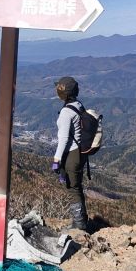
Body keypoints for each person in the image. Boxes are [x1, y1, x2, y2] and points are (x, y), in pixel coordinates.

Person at [52, 76, 89, 231]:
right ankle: (80, 221)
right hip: (80, 152)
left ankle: (79, 225)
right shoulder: (78, 105)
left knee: (72, 188)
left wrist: (57, 159)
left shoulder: (67, 112)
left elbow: (64, 138)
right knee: (76, 187)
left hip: (71, 153)